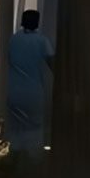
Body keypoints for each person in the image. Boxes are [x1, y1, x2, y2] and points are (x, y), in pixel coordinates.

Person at [6, 9, 54, 169]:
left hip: (14, 91)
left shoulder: (13, 39)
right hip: (33, 91)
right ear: (37, 23)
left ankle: (15, 158)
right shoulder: (41, 41)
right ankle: (33, 163)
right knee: (34, 125)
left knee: (17, 125)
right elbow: (52, 63)